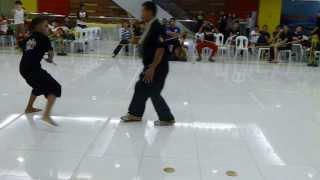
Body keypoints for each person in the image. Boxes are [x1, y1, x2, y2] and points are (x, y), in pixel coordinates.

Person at [121, 1, 175, 126]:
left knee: (153, 92)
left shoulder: (157, 26)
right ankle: (135, 114)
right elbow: (146, 42)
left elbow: (161, 48)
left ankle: (167, 118)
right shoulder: (149, 25)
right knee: (141, 87)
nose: (141, 13)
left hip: (156, 66)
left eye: (142, 11)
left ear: (149, 11)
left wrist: (152, 68)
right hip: (151, 65)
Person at [19, 17, 61, 126]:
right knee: (55, 87)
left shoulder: (29, 38)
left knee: (39, 86)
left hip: (23, 68)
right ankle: (46, 116)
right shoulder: (44, 38)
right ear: (37, 26)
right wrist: (50, 59)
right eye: (46, 26)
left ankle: (29, 108)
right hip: (33, 68)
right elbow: (51, 54)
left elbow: (26, 50)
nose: (48, 28)